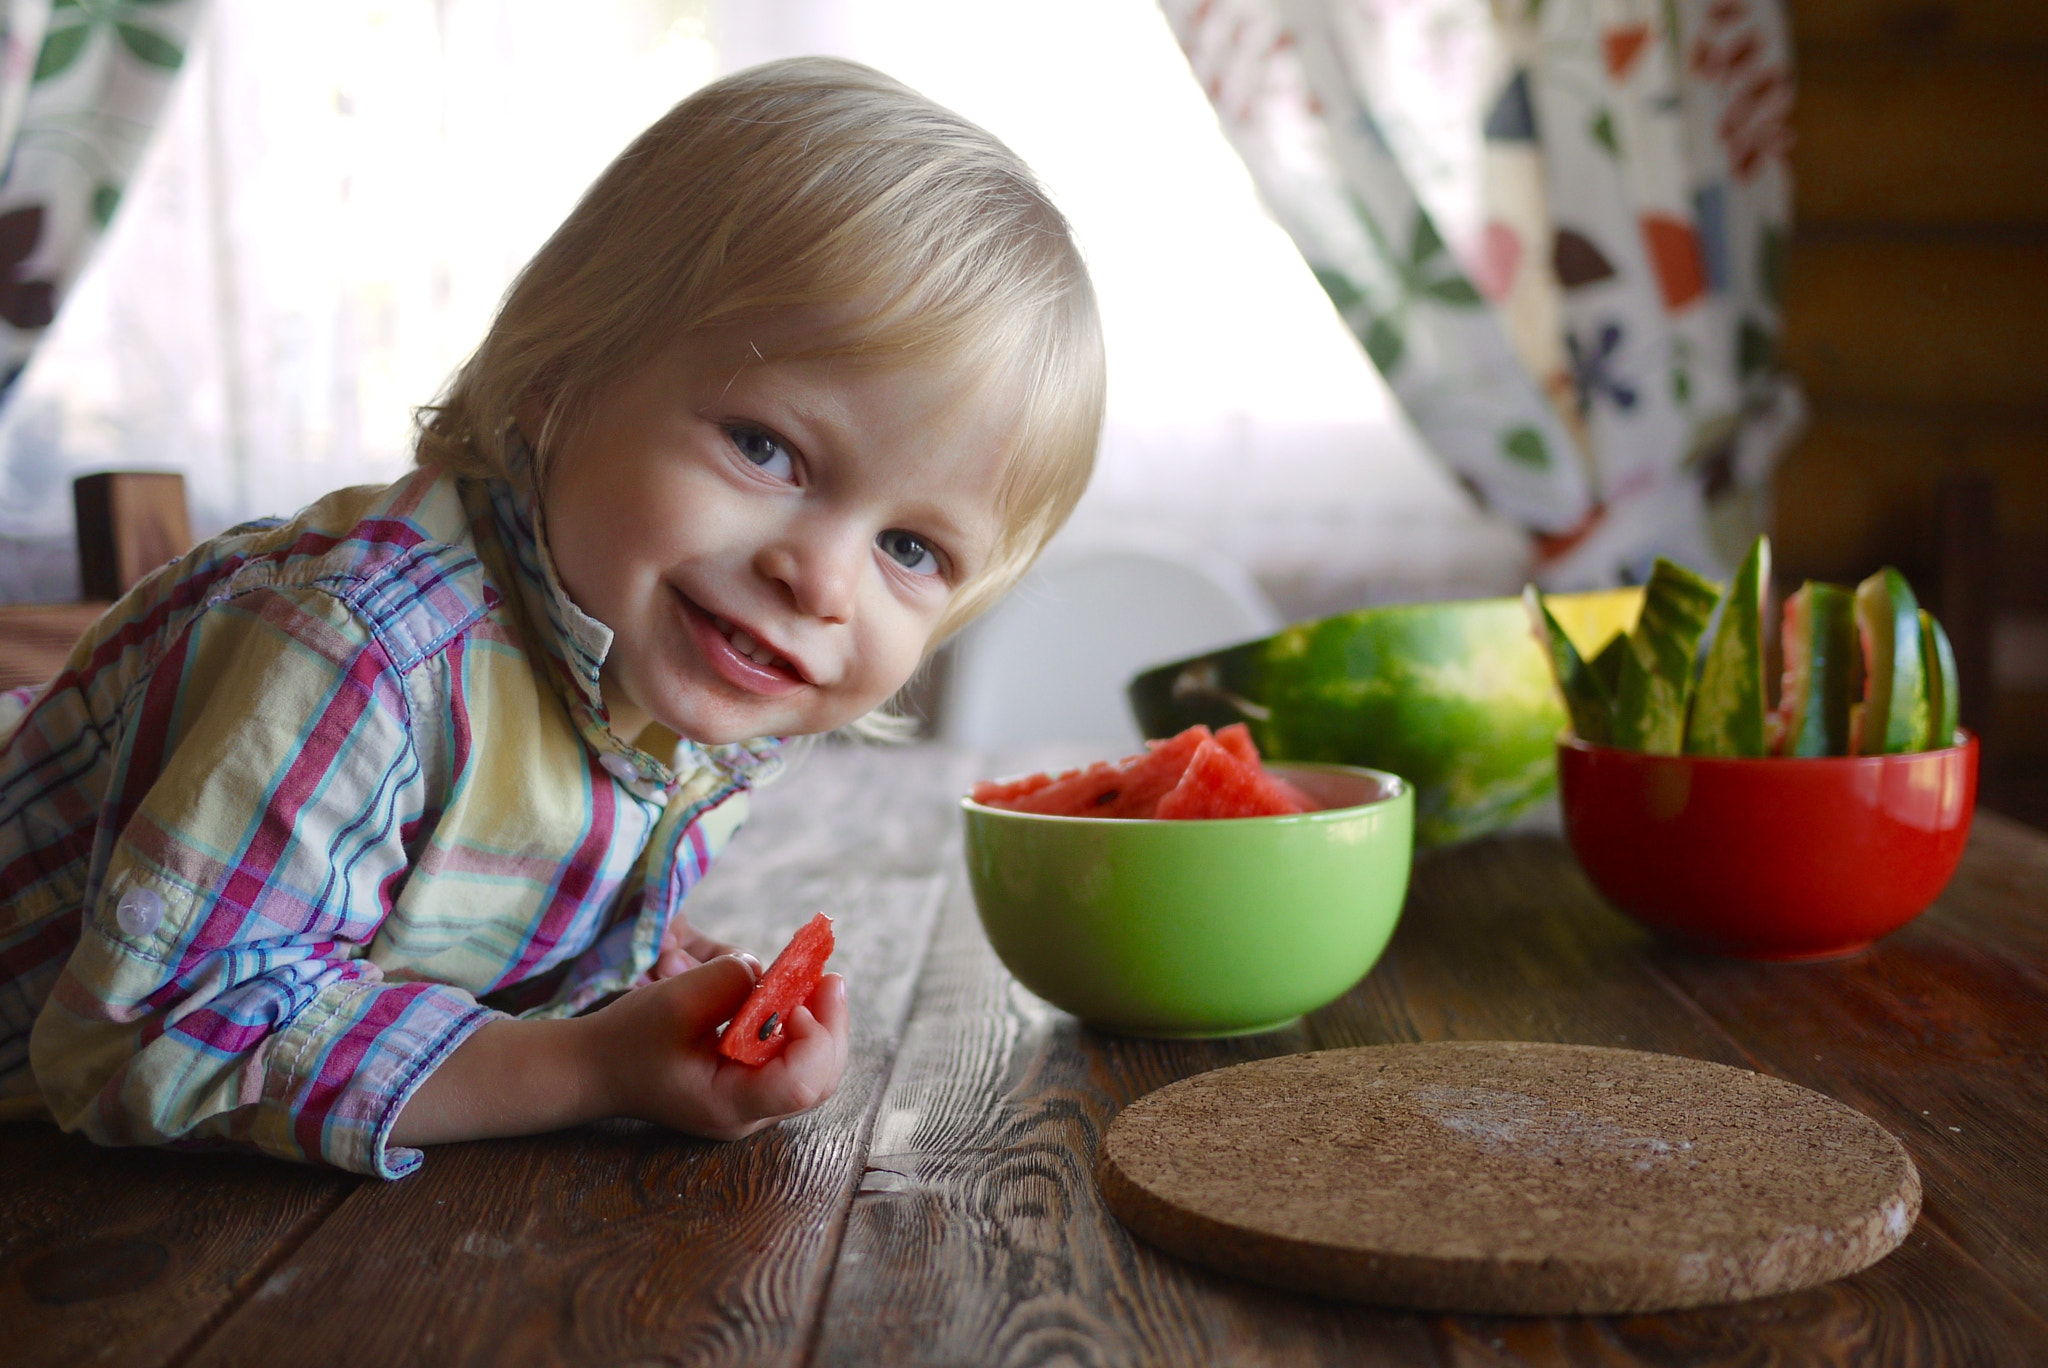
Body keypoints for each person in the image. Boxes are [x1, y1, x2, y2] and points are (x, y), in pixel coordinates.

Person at [0, 57, 1104, 1178]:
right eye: (765, 448)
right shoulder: (363, 651)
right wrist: (586, 1070)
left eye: (908, 550)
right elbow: (142, 1036)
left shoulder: (699, 683)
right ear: (560, 378)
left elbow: (443, 933)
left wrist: (637, 991)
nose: (821, 584)